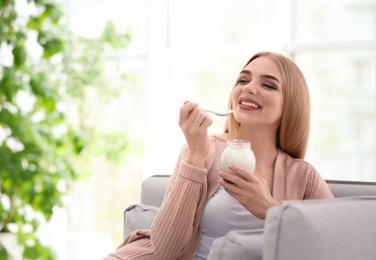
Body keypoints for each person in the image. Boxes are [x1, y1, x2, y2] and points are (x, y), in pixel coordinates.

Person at [104, 51, 334, 260]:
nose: (249, 88)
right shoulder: (204, 149)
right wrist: (195, 155)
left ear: (291, 105)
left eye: (269, 85)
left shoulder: (304, 176)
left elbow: (339, 241)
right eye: (243, 80)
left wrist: (270, 209)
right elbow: (166, 250)